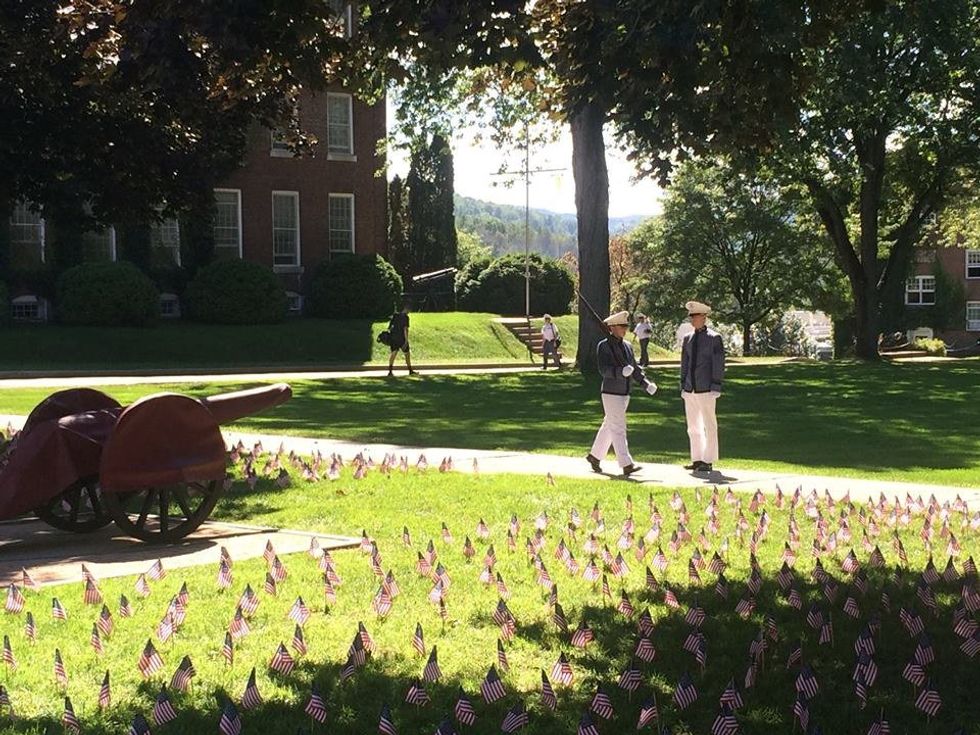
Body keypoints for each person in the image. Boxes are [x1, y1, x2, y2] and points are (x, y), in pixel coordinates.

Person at [586, 310, 658, 477]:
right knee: (619, 427)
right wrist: (620, 372)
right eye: (622, 326)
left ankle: (595, 456)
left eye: (626, 326)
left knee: (609, 426)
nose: (625, 329)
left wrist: (645, 384)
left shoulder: (627, 346)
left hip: (625, 392)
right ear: (612, 327)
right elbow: (604, 370)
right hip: (611, 392)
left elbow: (634, 368)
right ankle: (626, 464)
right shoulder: (603, 346)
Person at [679, 300, 725, 473]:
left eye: (695, 316)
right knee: (693, 426)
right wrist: (683, 385)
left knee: (709, 424)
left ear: (704, 317)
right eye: (691, 317)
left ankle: (708, 459)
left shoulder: (714, 338)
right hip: (691, 388)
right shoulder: (688, 338)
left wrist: (716, 385)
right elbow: (685, 363)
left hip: (706, 387)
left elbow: (718, 363)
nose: (692, 320)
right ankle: (697, 458)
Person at [387, 303, 418, 377]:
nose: (409, 312)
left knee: (393, 354)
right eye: (409, 310)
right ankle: (410, 370)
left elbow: (390, 327)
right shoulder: (406, 317)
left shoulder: (395, 315)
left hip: (394, 338)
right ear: (407, 309)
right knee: (407, 354)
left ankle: (390, 371)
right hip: (402, 338)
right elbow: (405, 329)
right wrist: (406, 341)